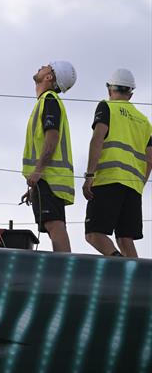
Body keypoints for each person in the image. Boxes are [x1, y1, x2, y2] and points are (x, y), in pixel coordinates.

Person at [82, 69, 152, 258]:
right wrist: (139, 185)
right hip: (133, 187)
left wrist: (89, 176)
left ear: (109, 89)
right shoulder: (144, 121)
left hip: (108, 181)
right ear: (131, 93)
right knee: (125, 238)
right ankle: (137, 283)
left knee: (94, 234)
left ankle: (118, 264)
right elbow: (150, 159)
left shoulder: (107, 107)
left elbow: (97, 139)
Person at [20, 61, 77, 252]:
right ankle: (64, 269)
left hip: (49, 177)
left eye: (46, 66)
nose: (41, 66)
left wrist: (38, 172)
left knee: (54, 224)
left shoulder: (49, 99)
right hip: (47, 177)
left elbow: (52, 137)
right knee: (52, 224)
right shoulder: (46, 101)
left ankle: (65, 271)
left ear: (50, 76)